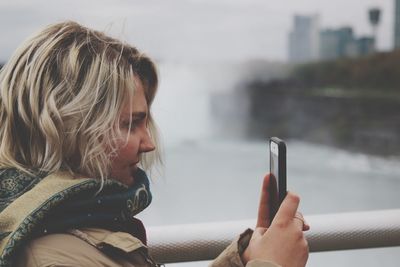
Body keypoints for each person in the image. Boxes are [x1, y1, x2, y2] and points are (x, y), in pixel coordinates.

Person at [0, 21, 309, 267]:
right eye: (129, 123)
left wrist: (246, 260)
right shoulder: (57, 257)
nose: (148, 143)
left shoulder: (65, 226)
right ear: (65, 128)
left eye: (144, 121)